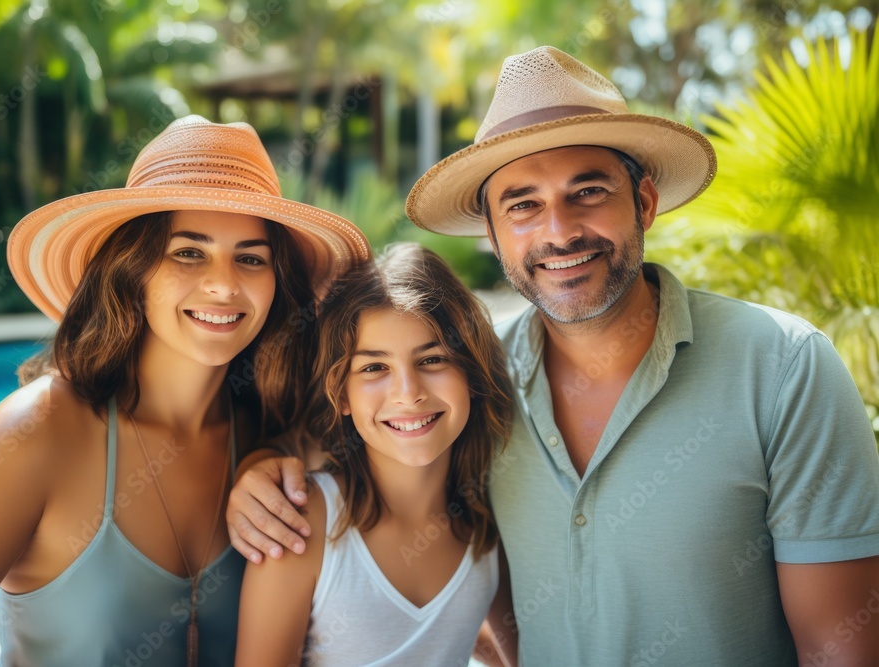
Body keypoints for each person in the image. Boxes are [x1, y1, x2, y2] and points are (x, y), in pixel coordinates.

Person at [226, 47, 879, 666]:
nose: (560, 231)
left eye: (587, 191)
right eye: (523, 205)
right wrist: (262, 466)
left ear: (643, 202)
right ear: (492, 233)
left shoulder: (783, 368)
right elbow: (375, 435)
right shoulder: (478, 378)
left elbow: (840, 645)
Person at [0, 115, 369, 667]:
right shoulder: (37, 433)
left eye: (251, 258)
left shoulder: (275, 430)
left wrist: (271, 454)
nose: (224, 283)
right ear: (132, 271)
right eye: (188, 251)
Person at [234, 243, 516, 666]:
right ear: (341, 395)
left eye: (433, 359)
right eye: (373, 368)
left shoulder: (488, 525)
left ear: (472, 375)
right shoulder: (301, 523)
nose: (408, 393)